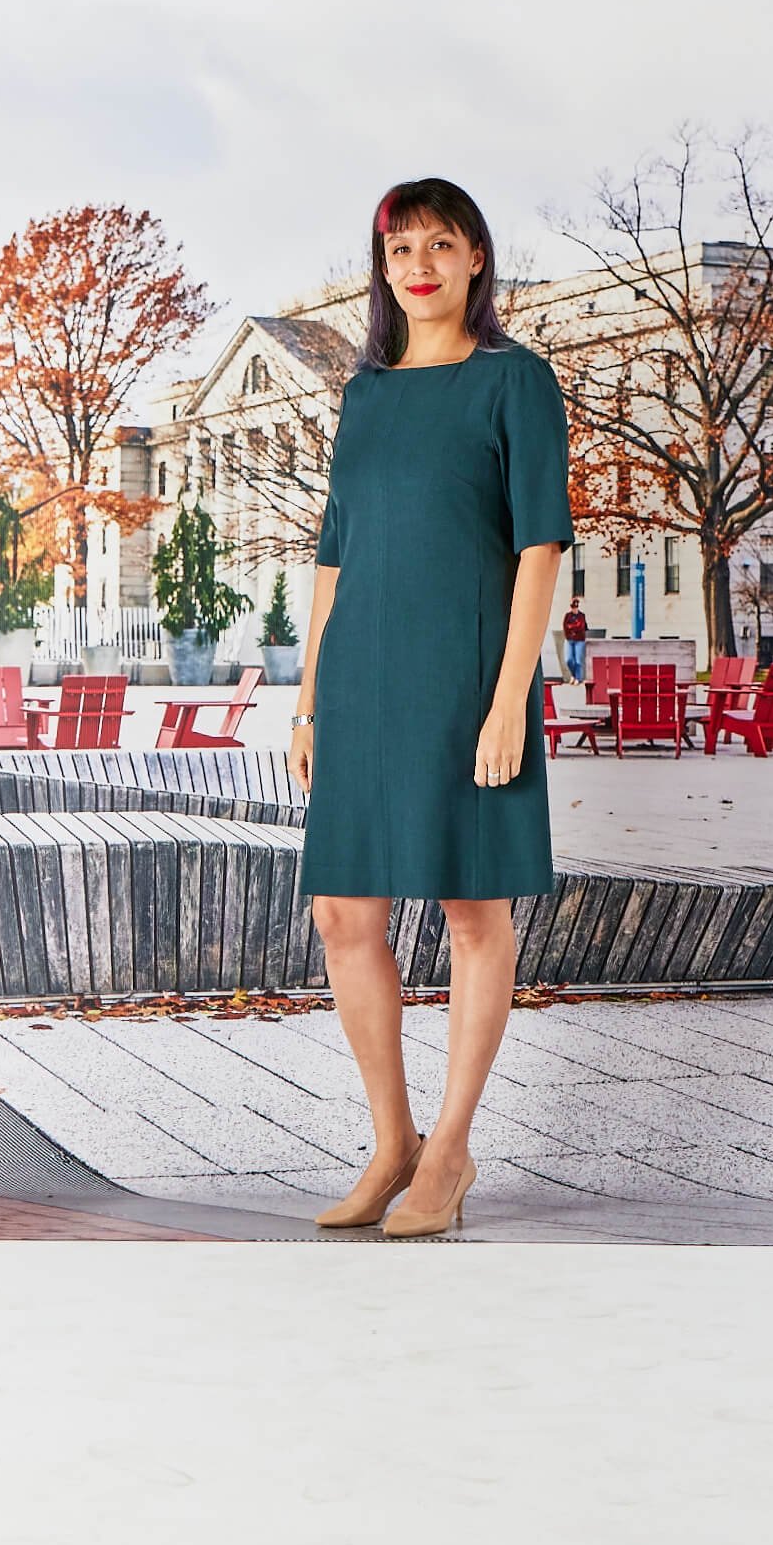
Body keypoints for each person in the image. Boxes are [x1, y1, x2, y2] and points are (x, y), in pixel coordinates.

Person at [287, 176, 574, 1238]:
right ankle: (392, 1144)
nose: (419, 265)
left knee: (470, 908)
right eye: (400, 247)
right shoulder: (363, 395)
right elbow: (334, 552)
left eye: (440, 244)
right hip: (359, 676)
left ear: (475, 259)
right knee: (342, 914)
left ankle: (449, 1151)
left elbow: (539, 545)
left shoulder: (515, 382)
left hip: (465, 675)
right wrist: (308, 701)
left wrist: (510, 702)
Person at [561, 593, 588, 683]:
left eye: (576, 607)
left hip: (579, 640)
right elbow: (565, 626)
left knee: (578, 660)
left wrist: (571, 627)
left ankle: (578, 678)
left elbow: (580, 626)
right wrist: (573, 628)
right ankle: (573, 674)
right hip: (569, 639)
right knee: (569, 660)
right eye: (573, 607)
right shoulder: (568, 616)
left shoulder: (581, 616)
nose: (574, 609)